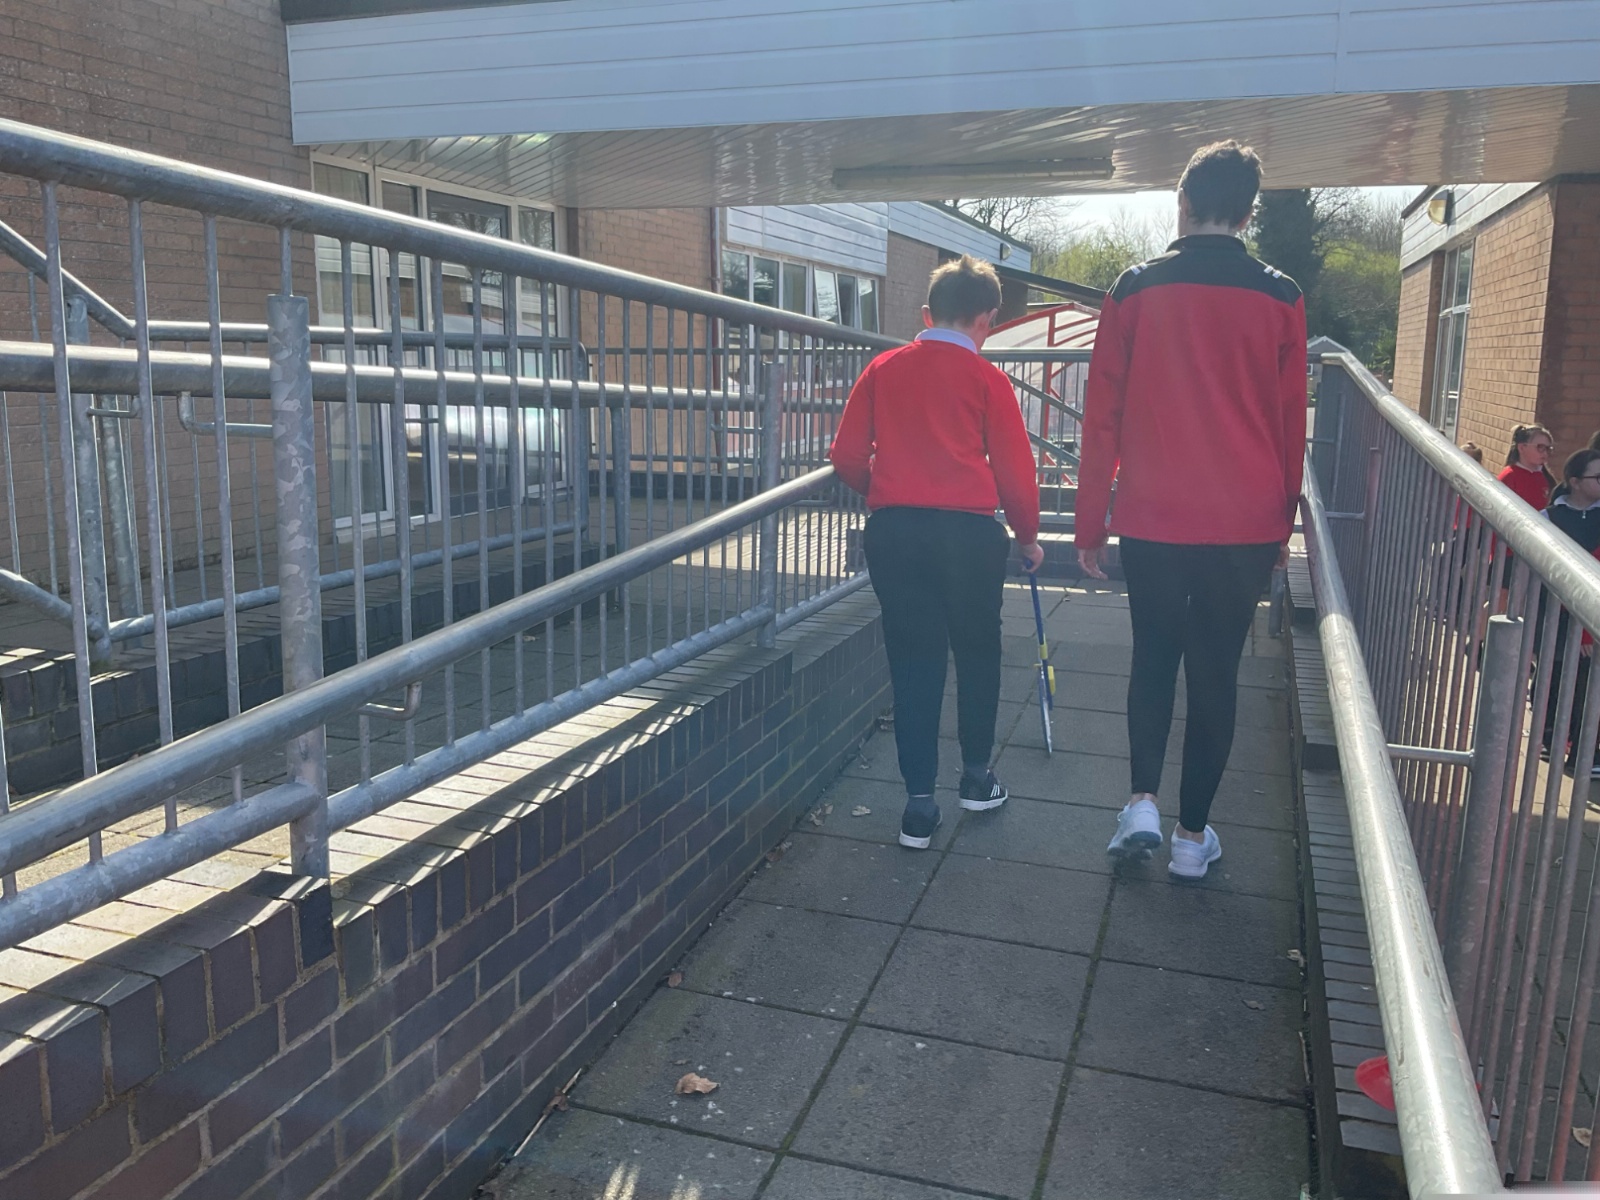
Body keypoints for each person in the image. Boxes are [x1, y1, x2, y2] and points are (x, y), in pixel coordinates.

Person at [1076, 140, 1307, 880]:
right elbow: (1289, 424)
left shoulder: (1134, 288)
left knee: (1153, 656)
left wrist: (1089, 523)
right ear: (1248, 213)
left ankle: (1141, 802)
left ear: (1182, 202)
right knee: (1216, 672)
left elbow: (1101, 418)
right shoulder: (1282, 296)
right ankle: (1190, 838)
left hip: (1152, 514)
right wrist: (1282, 522)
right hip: (1243, 521)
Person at [830, 255, 1044, 849]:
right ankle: (976, 777)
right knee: (978, 652)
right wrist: (1027, 536)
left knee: (913, 660)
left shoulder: (883, 368)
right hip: (970, 535)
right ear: (988, 319)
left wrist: (885, 489)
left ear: (927, 314)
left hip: (896, 532)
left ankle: (918, 807)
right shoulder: (989, 380)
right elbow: (1016, 473)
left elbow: (845, 455)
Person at [1538, 449, 1600, 773]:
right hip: (1558, 618)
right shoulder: (1550, 517)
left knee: (1586, 687)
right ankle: (1552, 740)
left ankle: (1581, 750)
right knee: (1556, 680)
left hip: (1592, 620)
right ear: (1575, 482)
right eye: (1598, 477)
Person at [1500, 424, 1556, 511]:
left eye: (1548, 448)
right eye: (1540, 447)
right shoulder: (1509, 477)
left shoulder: (1547, 477)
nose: (1545, 453)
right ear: (1522, 448)